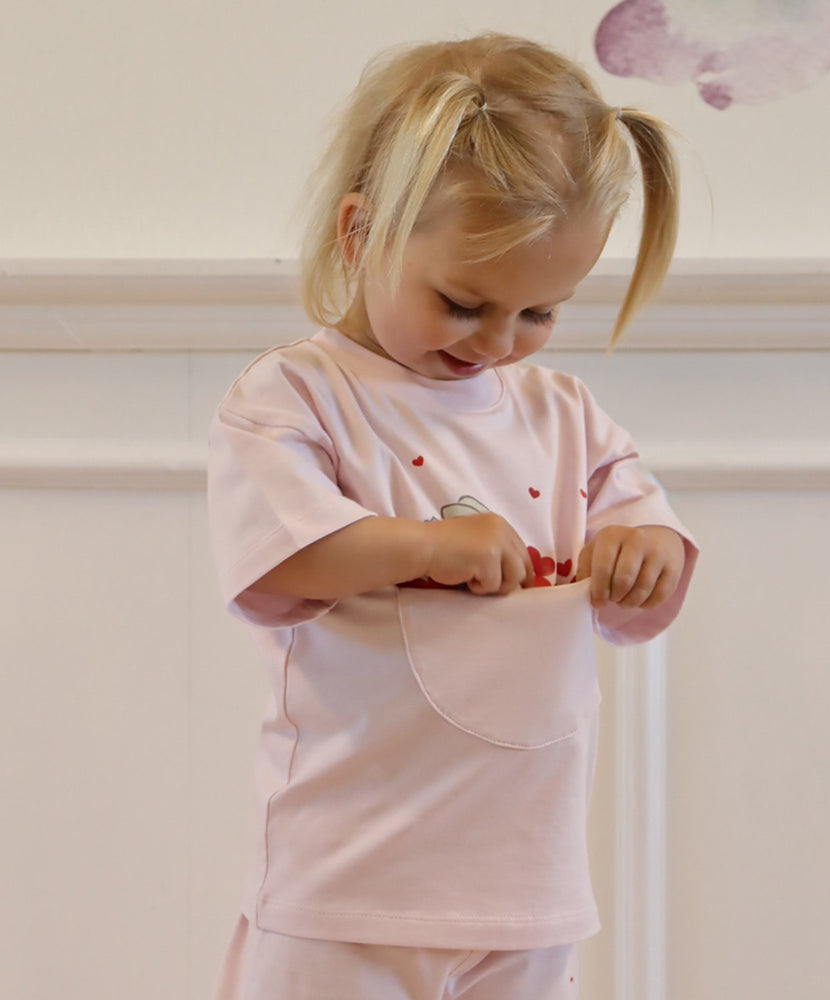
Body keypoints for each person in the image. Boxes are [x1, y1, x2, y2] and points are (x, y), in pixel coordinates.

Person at [208, 32, 698, 1000]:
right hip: (351, 883)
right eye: (464, 304)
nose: (499, 342)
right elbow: (279, 560)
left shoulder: (563, 415)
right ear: (361, 233)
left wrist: (644, 550)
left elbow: (646, 551)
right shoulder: (296, 397)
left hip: (526, 885)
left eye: (539, 313)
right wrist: (431, 545)